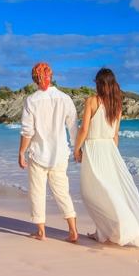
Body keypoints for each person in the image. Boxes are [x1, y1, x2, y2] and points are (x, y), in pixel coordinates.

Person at [73, 68, 139, 247]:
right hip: (110, 149)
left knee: (92, 192)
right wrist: (114, 154)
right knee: (106, 190)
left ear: (98, 83)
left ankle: (124, 227)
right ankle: (103, 232)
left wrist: (76, 149)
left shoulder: (91, 101)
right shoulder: (117, 104)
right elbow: (116, 134)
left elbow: (84, 128)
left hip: (95, 149)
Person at [19, 62, 79, 242]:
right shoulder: (64, 98)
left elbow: (27, 131)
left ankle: (41, 232)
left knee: (37, 192)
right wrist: (77, 149)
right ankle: (73, 230)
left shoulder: (31, 100)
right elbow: (73, 127)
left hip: (38, 154)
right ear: (50, 75)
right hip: (60, 153)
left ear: (34, 78)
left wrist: (21, 152)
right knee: (62, 191)